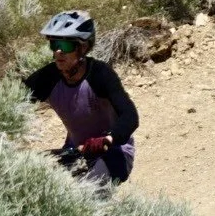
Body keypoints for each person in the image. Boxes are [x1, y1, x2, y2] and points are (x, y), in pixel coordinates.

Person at [22, 11, 139, 185]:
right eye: (54, 45)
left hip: (114, 151)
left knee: (88, 193)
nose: (59, 51)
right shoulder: (48, 77)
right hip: (75, 151)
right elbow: (11, 101)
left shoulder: (100, 74)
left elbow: (130, 116)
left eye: (66, 45)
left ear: (83, 47)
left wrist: (108, 139)